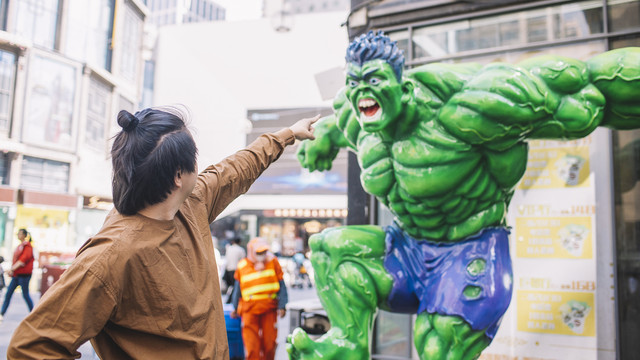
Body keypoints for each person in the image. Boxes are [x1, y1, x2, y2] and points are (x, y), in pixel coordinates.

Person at [289, 31, 640, 359]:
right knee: (331, 249)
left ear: (403, 85)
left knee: (436, 346)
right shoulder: (358, 118)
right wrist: (320, 139)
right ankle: (348, 341)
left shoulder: (465, 108)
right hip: (408, 253)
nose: (362, 90)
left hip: (470, 251)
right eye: (355, 82)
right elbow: (335, 127)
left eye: (376, 79)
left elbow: (588, 85)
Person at [7, 106, 318, 358]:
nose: (203, 166)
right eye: (196, 160)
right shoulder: (111, 255)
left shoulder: (191, 203)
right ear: (178, 177)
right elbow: (31, 348)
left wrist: (288, 134)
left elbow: (236, 169)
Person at [231, 237, 288, 360]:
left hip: (269, 309)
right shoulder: (242, 266)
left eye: (264, 252)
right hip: (249, 310)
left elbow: (282, 285)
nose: (262, 255)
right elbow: (238, 289)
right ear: (251, 252)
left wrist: (282, 305)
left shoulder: (273, 262)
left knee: (269, 344)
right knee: (252, 346)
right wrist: (235, 308)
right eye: (259, 252)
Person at [0, 229, 35, 324]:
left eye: (20, 234)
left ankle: (33, 314)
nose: (18, 235)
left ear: (24, 235)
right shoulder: (20, 246)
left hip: (24, 275)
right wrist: (12, 270)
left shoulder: (27, 246)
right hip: (16, 275)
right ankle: (1, 314)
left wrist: (12, 269)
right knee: (8, 294)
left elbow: (22, 260)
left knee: (25, 294)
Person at [223, 237, 246, 302]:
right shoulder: (241, 250)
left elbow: (226, 260)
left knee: (232, 286)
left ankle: (230, 299)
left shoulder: (229, 249)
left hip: (229, 270)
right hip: (237, 270)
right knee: (236, 286)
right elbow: (243, 261)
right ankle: (231, 300)